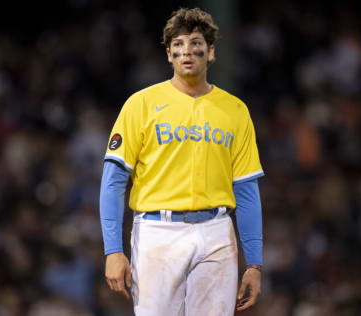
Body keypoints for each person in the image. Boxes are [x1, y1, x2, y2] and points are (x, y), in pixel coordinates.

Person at [99, 7, 264, 315]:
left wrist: (254, 262)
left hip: (216, 230)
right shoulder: (141, 104)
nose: (187, 52)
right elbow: (113, 181)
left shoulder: (235, 110)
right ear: (169, 54)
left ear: (211, 52)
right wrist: (113, 251)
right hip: (156, 232)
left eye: (195, 44)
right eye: (178, 46)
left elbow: (246, 189)